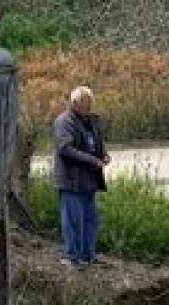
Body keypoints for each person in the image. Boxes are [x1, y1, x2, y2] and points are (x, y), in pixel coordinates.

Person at [52, 85, 109, 268]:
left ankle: (88, 255)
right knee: (73, 220)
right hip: (71, 179)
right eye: (86, 103)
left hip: (89, 179)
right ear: (75, 103)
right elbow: (65, 148)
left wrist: (103, 154)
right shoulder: (64, 121)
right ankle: (71, 257)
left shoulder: (91, 120)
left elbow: (97, 140)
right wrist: (92, 160)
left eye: (91, 102)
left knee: (90, 220)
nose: (89, 106)